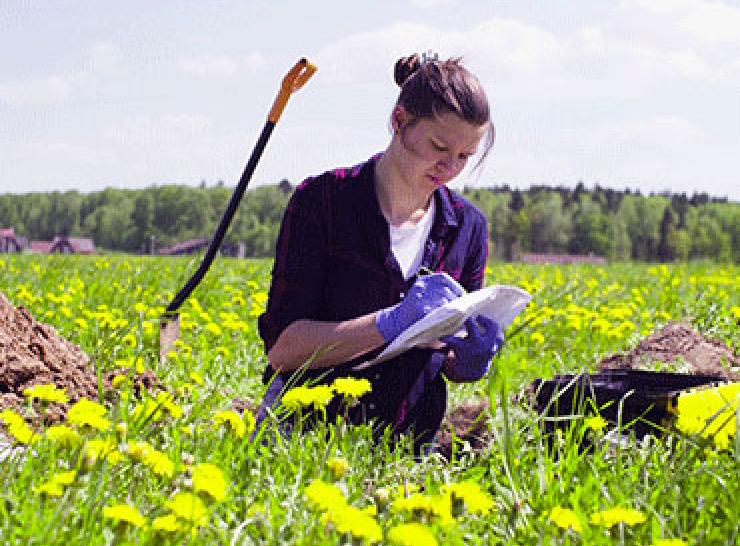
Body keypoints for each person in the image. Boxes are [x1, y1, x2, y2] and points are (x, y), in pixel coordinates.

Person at [257, 52, 504, 454]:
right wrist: (388, 323)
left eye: (464, 156)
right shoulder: (323, 202)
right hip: (304, 442)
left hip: (409, 446)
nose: (450, 167)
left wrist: (470, 359)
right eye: (439, 146)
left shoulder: (467, 227)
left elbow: (446, 360)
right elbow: (285, 349)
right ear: (399, 120)